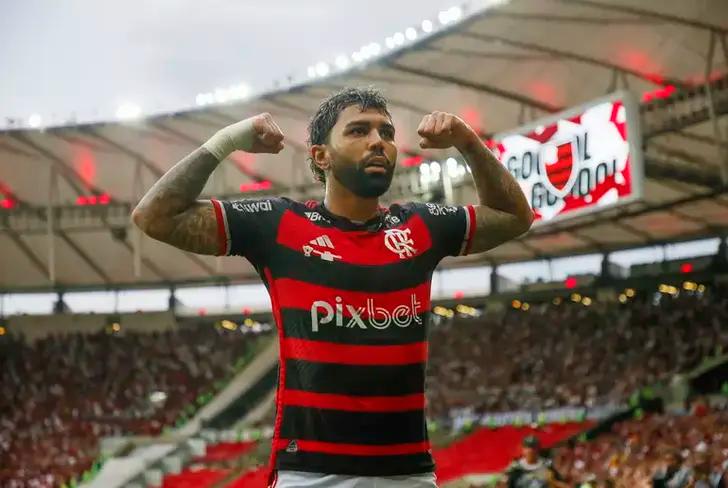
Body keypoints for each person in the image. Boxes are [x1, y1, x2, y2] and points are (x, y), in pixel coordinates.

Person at [132, 87, 533, 487]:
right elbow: (155, 216)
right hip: (310, 474)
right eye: (359, 131)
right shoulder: (278, 224)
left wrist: (466, 140)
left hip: (408, 474)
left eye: (387, 133)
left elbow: (514, 216)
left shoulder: (421, 226)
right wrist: (227, 141)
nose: (379, 142)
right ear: (320, 156)